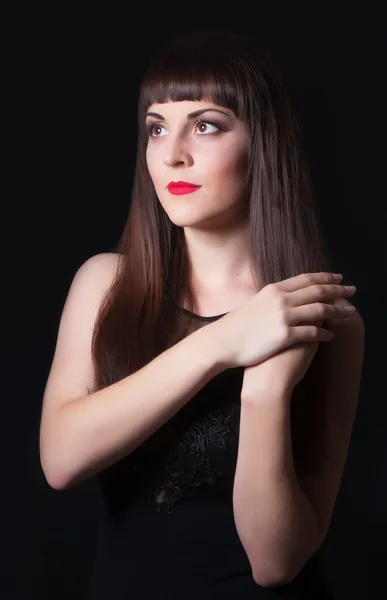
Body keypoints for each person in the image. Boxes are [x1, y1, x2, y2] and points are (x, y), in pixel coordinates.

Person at [39, 29, 364, 599]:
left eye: (206, 125)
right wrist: (223, 342)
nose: (172, 153)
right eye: (157, 127)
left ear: (261, 142)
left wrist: (265, 392)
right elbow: (61, 460)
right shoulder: (103, 283)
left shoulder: (324, 318)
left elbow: (276, 562)